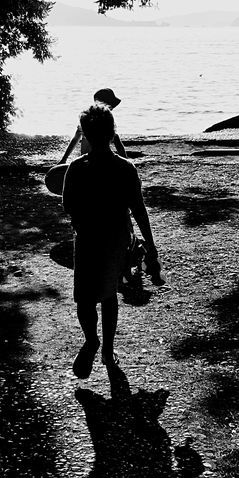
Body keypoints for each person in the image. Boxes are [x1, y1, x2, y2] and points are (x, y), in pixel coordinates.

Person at [62, 103, 161, 377]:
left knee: (84, 298)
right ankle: (107, 348)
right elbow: (139, 211)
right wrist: (151, 249)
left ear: (85, 136)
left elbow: (68, 206)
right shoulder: (125, 168)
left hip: (86, 239)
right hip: (116, 239)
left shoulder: (76, 169)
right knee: (108, 294)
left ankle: (92, 340)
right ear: (112, 133)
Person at [60, 87, 127, 162]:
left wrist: (64, 159)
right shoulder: (106, 119)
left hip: (87, 158)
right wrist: (125, 160)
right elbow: (117, 142)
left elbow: (75, 139)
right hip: (99, 158)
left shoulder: (88, 118)